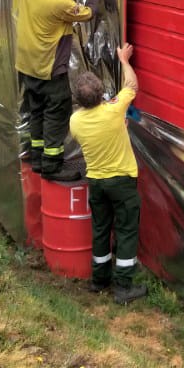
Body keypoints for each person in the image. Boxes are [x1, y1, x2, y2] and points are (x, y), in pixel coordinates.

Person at [69, 43, 147, 305]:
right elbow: (132, 85)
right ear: (101, 92)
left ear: (78, 100)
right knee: (126, 231)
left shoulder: (75, 122)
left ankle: (99, 280)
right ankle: (123, 287)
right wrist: (123, 60)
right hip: (122, 182)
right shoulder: (114, 110)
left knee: (101, 229)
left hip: (96, 183)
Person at [15, 0, 100, 181]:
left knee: (37, 110)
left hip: (27, 64)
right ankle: (52, 166)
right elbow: (88, 14)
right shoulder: (60, 3)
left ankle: (37, 158)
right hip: (48, 67)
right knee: (57, 114)